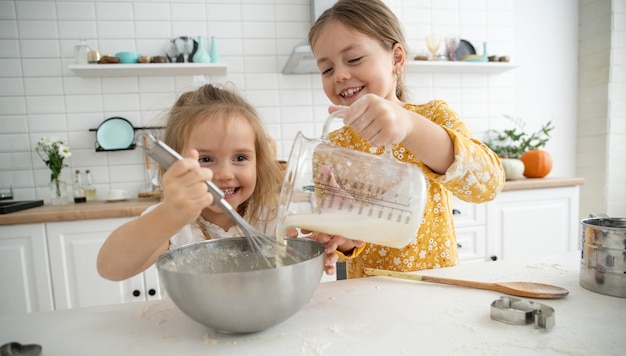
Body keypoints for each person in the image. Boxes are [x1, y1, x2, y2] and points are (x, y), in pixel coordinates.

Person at [307, 0, 505, 278]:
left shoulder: (434, 117)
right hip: (369, 295)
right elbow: (344, 242)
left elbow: (488, 184)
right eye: (327, 69)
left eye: (353, 59)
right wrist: (343, 240)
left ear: (396, 59)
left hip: (435, 288)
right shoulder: (331, 149)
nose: (340, 75)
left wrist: (411, 128)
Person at [97, 83, 349, 281]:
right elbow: (110, 268)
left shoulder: (275, 215)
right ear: (176, 166)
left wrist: (325, 246)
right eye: (205, 159)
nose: (225, 173)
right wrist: (170, 214)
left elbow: (307, 254)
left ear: (258, 163)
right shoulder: (175, 225)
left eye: (240, 158)